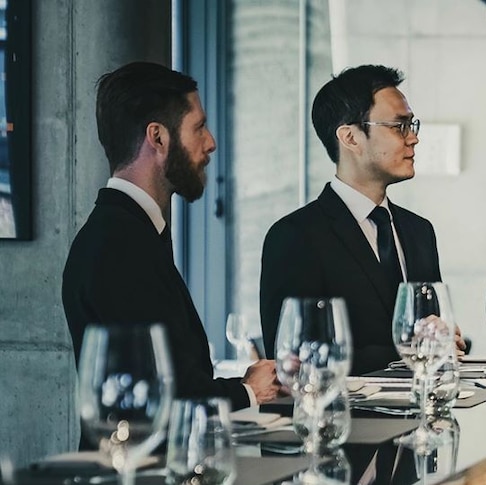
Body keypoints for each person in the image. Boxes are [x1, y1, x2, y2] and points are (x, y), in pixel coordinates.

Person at [63, 62, 280, 415]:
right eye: (199, 128)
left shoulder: (126, 233)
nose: (210, 143)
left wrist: (246, 383)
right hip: (139, 467)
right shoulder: (119, 246)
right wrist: (248, 391)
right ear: (158, 138)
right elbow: (155, 398)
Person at [260, 65, 465, 375]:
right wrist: (410, 347)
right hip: (344, 420)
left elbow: (432, 331)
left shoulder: (419, 231)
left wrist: (448, 339)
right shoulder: (295, 236)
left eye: (413, 125)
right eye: (399, 126)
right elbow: (295, 358)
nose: (413, 139)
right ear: (351, 137)